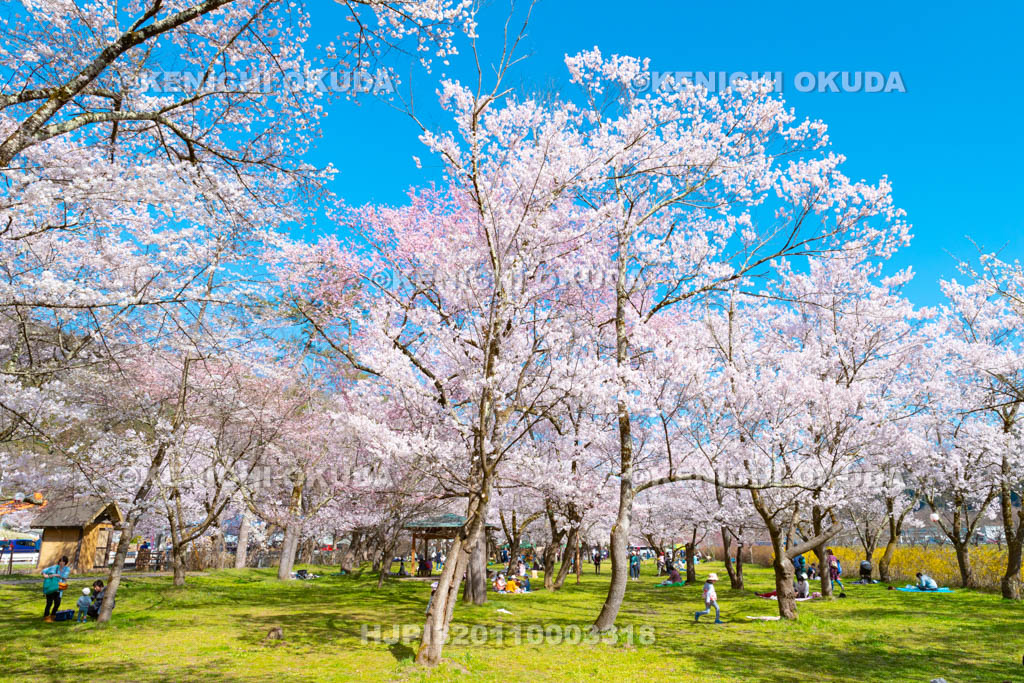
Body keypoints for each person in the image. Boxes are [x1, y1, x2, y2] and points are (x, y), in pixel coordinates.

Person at [41, 555, 70, 622]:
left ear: (66, 562)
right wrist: (45, 575)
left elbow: (65, 577)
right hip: (51, 587)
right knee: (49, 603)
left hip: (59, 588)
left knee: (57, 603)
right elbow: (44, 571)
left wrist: (57, 575)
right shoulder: (54, 567)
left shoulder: (67, 569)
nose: (61, 563)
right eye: (60, 561)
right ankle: (46, 616)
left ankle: (53, 615)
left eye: (63, 561)